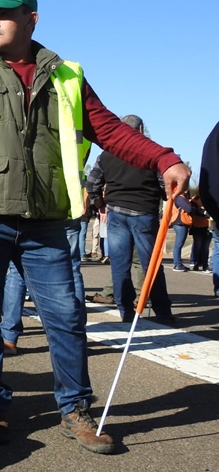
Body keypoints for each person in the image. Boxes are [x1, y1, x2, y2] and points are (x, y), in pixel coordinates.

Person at [0, 0, 191, 454]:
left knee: (67, 317)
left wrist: (164, 159)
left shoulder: (68, 75)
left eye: (5, 13)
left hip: (47, 223)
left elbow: (110, 129)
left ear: (32, 18)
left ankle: (75, 409)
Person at [86, 117, 175, 324]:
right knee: (150, 265)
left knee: (119, 264)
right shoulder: (152, 152)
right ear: (141, 129)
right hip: (144, 213)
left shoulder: (107, 154)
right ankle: (162, 311)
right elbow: (165, 184)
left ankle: (125, 310)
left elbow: (92, 183)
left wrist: (99, 204)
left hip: (116, 212)